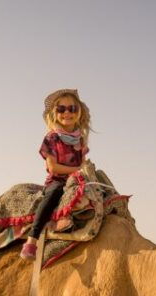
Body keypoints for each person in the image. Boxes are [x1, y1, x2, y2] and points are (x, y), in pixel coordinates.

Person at [20, 88, 92, 260]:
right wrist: (77, 170)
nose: (67, 113)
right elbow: (53, 168)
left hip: (77, 180)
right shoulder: (52, 138)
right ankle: (32, 239)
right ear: (55, 113)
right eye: (61, 109)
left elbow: (82, 163)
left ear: (79, 112)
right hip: (58, 180)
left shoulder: (80, 139)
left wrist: (84, 170)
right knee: (54, 193)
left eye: (72, 108)